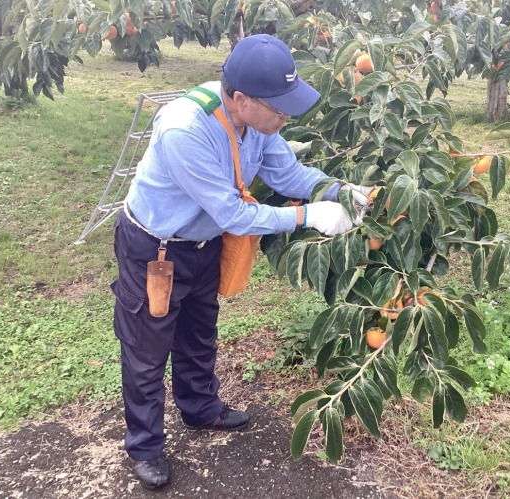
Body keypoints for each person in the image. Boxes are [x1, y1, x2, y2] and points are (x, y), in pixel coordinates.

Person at [111, 34, 373, 490]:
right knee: (146, 352)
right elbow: (233, 213)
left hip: (202, 245)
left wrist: (338, 190)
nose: (286, 117)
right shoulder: (185, 131)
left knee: (198, 333)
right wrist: (307, 216)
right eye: (279, 108)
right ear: (240, 100)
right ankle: (146, 446)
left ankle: (200, 408)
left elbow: (288, 173)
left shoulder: (258, 125)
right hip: (156, 249)